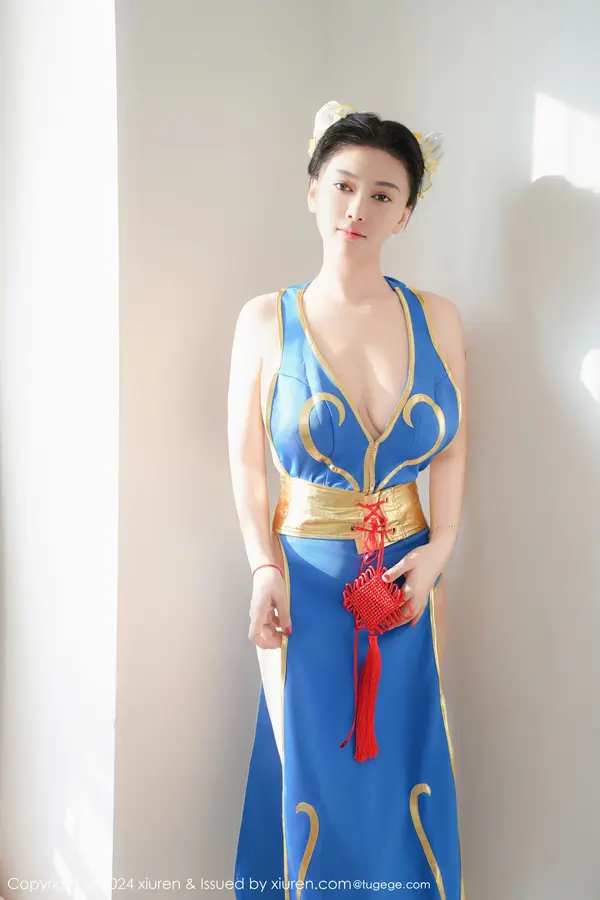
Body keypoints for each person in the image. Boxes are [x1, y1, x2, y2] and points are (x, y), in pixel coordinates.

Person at [228, 101, 468, 899]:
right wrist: (263, 568)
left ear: (406, 213)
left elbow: (453, 447)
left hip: (407, 586)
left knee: (405, 766)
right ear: (313, 191)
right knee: (309, 771)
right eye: (343, 184)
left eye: (382, 193)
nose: (358, 207)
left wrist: (437, 553)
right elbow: (247, 463)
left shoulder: (437, 318)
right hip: (303, 591)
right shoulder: (266, 320)